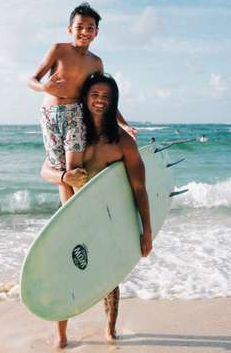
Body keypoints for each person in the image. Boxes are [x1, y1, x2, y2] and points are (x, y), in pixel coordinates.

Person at [41, 72, 152, 348]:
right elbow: (45, 169)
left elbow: (139, 188)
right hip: (69, 211)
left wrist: (146, 230)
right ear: (85, 98)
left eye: (106, 96)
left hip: (104, 215)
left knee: (108, 272)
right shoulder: (72, 133)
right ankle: (61, 334)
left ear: (114, 101)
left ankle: (109, 331)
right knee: (64, 270)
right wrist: (63, 178)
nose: (100, 101)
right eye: (95, 95)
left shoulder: (123, 142)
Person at [29, 2, 136, 206]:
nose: (84, 32)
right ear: (70, 29)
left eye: (90, 28)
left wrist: (123, 124)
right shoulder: (58, 50)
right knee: (61, 170)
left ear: (96, 32)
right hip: (49, 115)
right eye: (79, 27)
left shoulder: (96, 62)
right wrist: (44, 88)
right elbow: (31, 80)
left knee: (74, 168)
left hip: (75, 114)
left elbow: (105, 97)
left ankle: (83, 210)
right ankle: (68, 217)